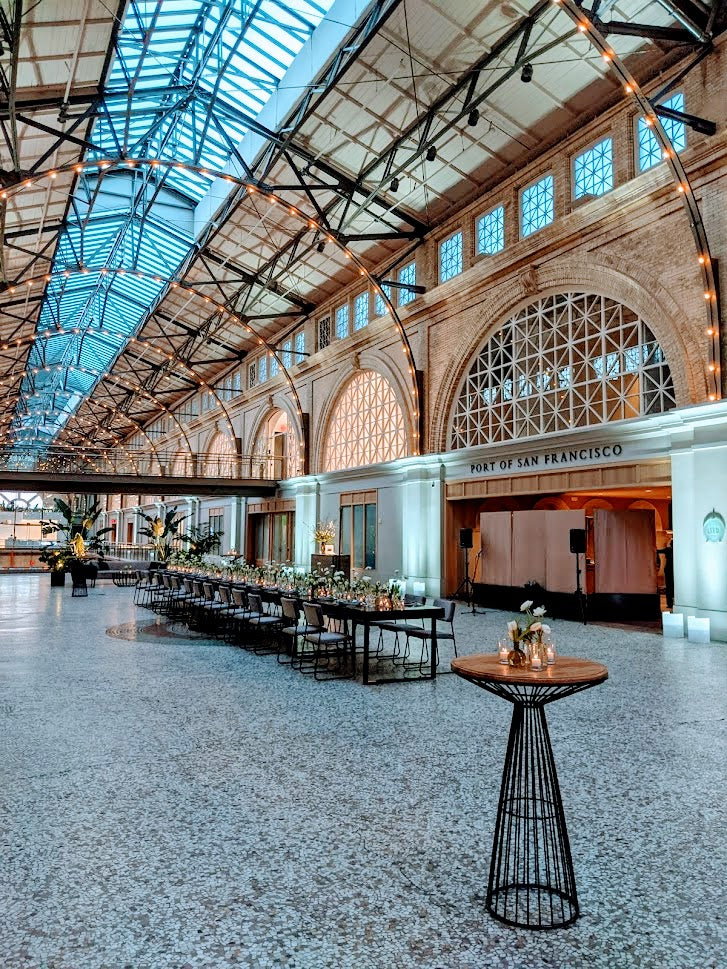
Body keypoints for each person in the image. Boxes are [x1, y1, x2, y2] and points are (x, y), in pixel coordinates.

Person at [657, 535, 674, 609]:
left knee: (669, 588)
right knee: (672, 587)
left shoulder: (668, 550)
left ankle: (669, 603)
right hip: (674, 570)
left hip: (668, 570)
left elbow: (659, 551)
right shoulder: (676, 550)